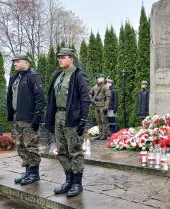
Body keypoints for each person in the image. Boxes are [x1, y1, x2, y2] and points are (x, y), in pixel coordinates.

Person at [45, 48, 91, 197]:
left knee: (75, 150)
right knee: (62, 150)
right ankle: (68, 180)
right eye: (58, 57)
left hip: (72, 117)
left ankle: (77, 183)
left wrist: (83, 120)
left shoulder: (78, 75)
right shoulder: (58, 75)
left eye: (63, 57)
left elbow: (85, 99)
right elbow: (52, 98)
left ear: (71, 59)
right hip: (59, 115)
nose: (60, 59)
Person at [7, 54, 45, 185]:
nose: (14, 64)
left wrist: (36, 119)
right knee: (20, 146)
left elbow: (40, 100)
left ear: (27, 62)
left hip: (29, 119)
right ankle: (28, 171)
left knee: (31, 146)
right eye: (14, 62)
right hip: (17, 118)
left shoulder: (33, 77)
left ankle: (34, 173)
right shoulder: (15, 77)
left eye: (17, 61)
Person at [90, 73, 110, 140]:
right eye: (99, 78)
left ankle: (104, 135)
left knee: (104, 121)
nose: (100, 79)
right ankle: (100, 134)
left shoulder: (105, 87)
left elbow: (108, 97)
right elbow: (90, 94)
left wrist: (106, 106)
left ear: (104, 79)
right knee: (98, 120)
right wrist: (92, 100)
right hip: (96, 105)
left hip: (103, 106)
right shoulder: (95, 87)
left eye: (101, 78)